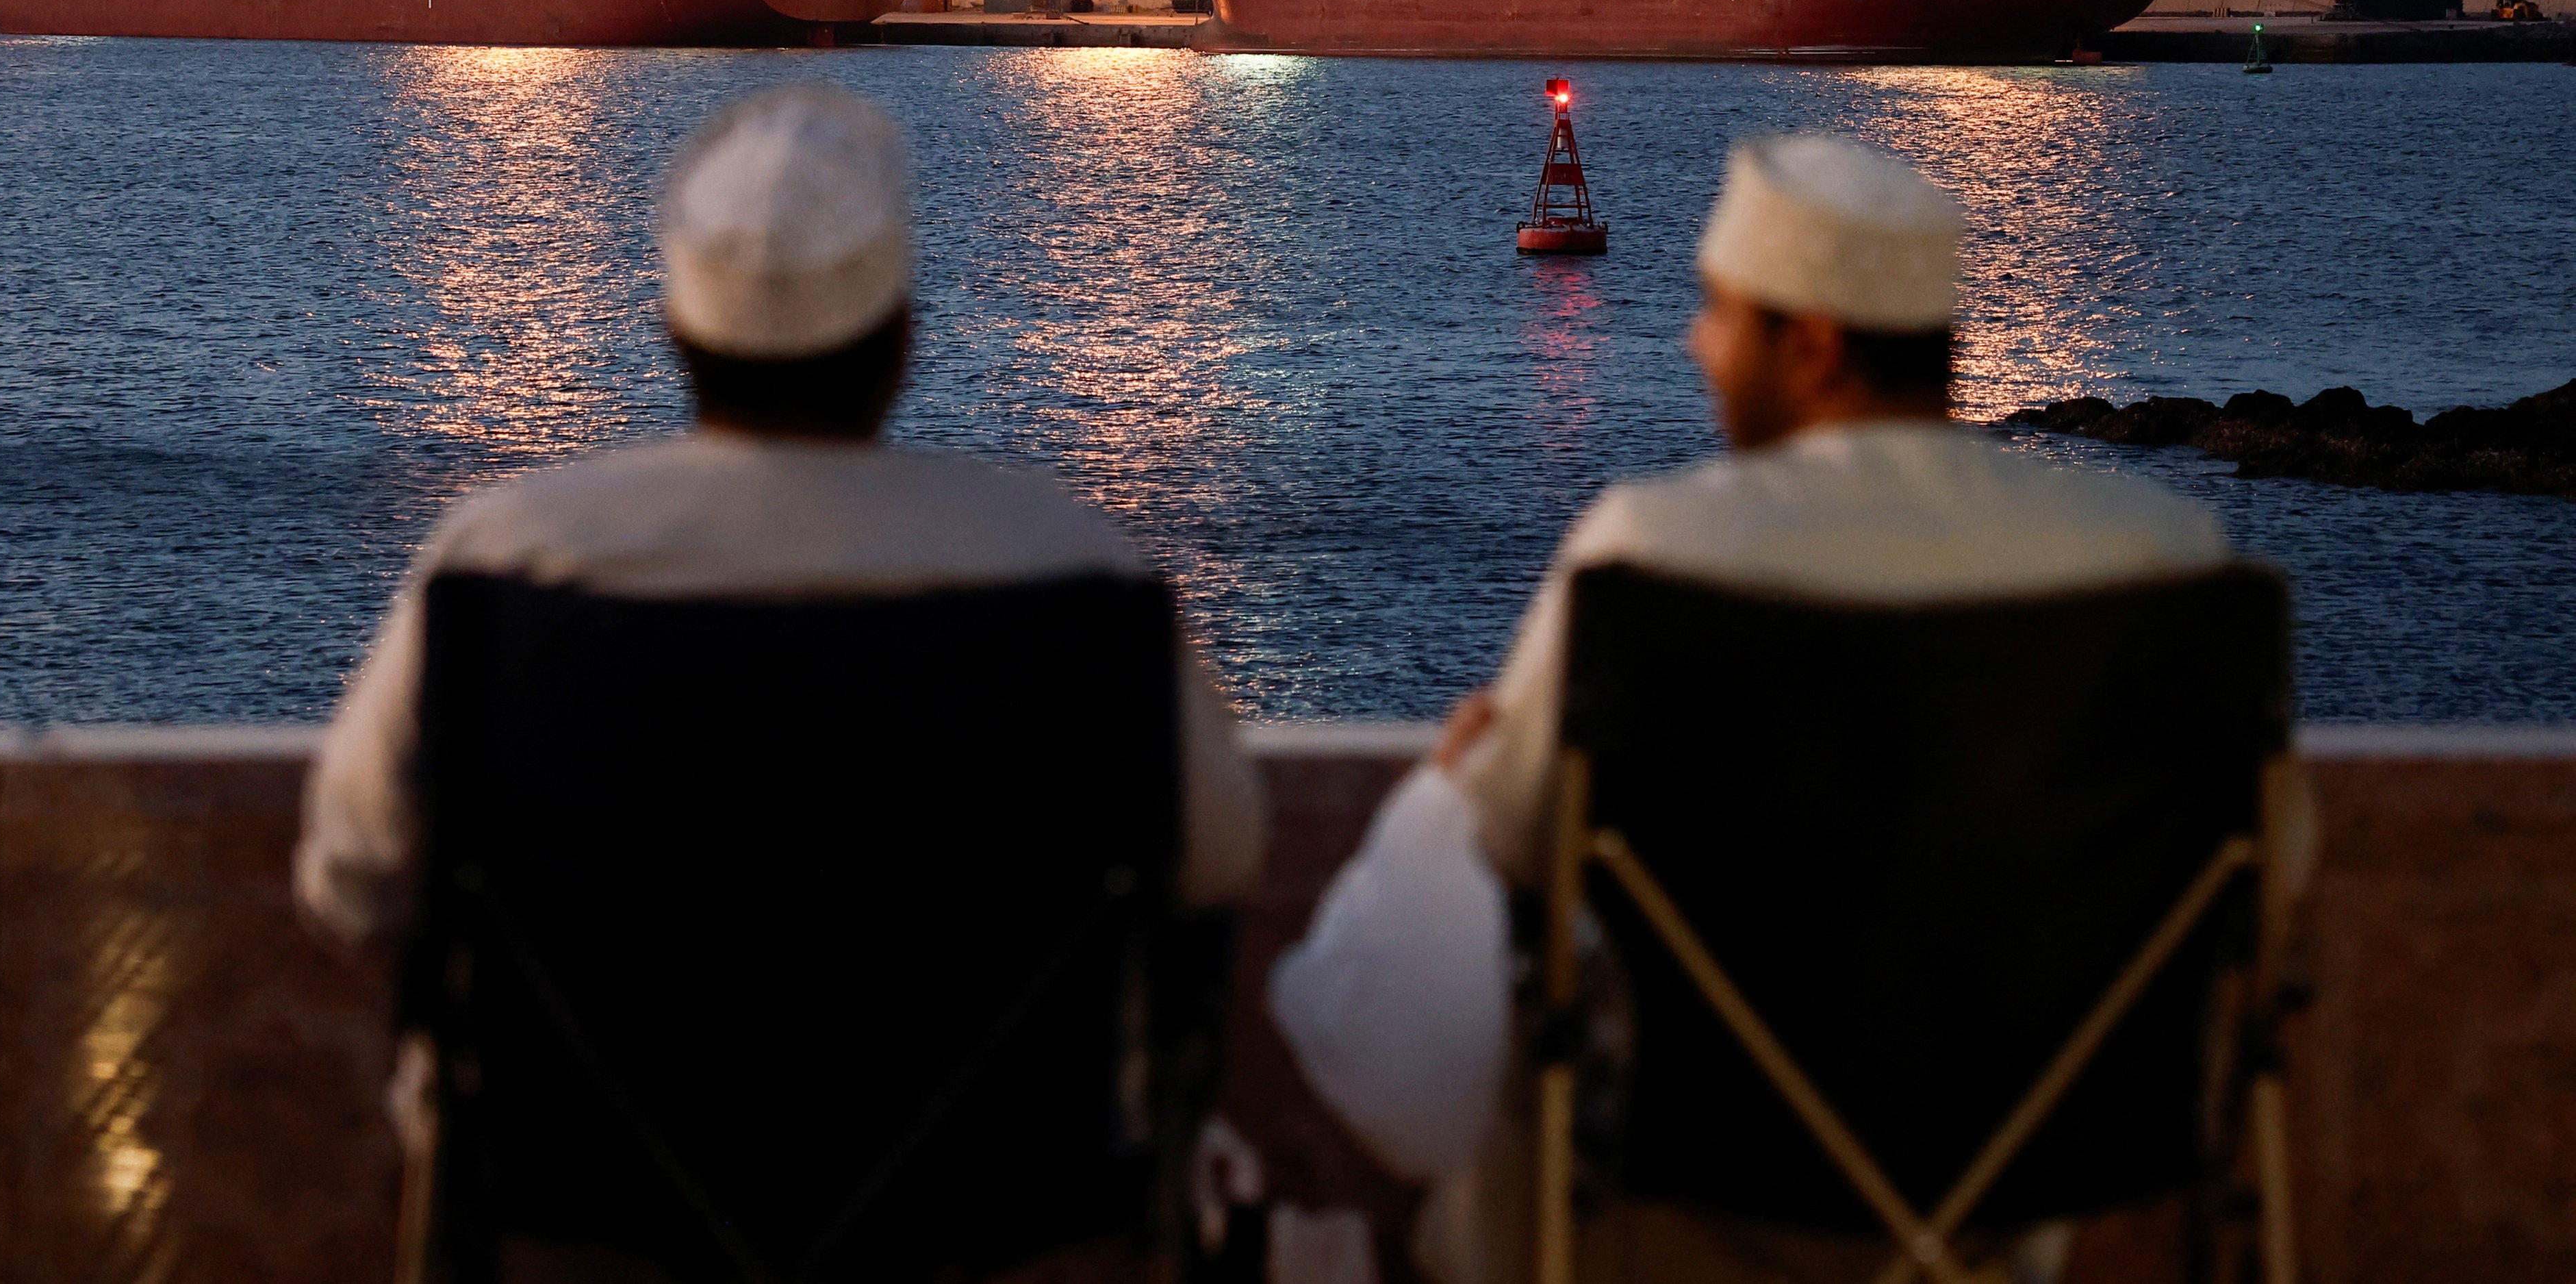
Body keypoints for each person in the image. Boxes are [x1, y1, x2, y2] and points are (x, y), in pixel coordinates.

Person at [1271, 132, 2231, 1284]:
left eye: (1722, 314)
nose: (1694, 342)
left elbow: (1513, 851)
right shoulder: (2168, 568)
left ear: (1815, 348)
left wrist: (1465, 773)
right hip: (2016, 1198)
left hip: (1677, 1206)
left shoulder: (1655, 557)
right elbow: (2245, 871)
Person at [297, 77, 1265, 959]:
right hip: (994, 1150)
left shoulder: (500, 557)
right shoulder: (1076, 566)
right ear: (902, 342)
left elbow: (351, 865)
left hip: (561, 1150)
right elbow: (1220, 853)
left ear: (676, 335)